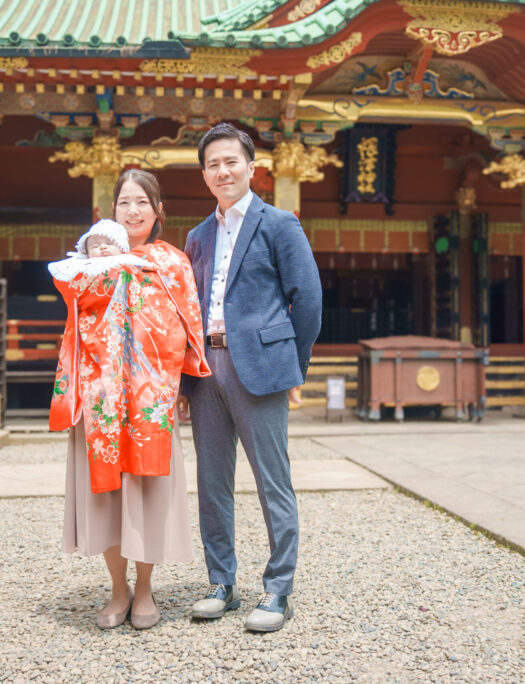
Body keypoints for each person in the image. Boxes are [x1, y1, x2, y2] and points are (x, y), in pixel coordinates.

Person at [49, 169, 210, 631]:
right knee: (107, 497)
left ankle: (144, 590)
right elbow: (76, 320)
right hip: (100, 397)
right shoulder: (91, 260)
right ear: (111, 211)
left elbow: (185, 324)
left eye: (143, 202)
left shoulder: (171, 262)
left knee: (144, 494)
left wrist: (176, 385)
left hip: (149, 400)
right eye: (124, 203)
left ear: (158, 212)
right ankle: (117, 590)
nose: (133, 210)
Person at [181, 123, 322, 632]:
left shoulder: (279, 223)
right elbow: (186, 308)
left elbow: (307, 300)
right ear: (204, 175)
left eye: (231, 162)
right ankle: (221, 582)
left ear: (251, 167)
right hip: (204, 370)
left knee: (272, 481)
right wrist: (182, 382)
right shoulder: (197, 236)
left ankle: (278, 588)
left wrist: (292, 367)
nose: (223, 171)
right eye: (213, 164)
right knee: (212, 481)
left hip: (260, 368)